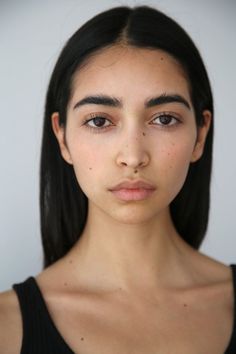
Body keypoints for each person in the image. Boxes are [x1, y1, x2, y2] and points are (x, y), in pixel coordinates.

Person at [0, 4, 235, 354]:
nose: (133, 156)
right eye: (99, 121)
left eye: (165, 119)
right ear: (62, 138)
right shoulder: (7, 327)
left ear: (200, 135)